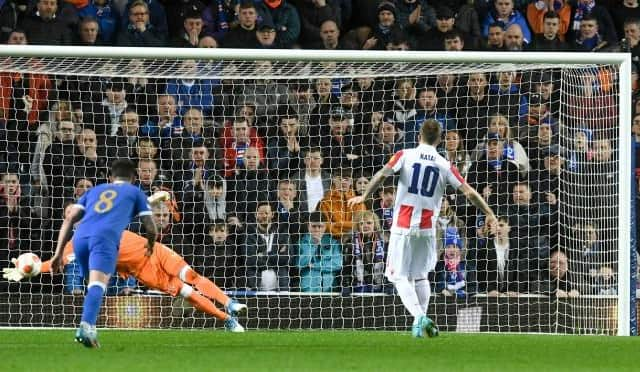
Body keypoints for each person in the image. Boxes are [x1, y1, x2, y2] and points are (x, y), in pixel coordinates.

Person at [347, 119, 497, 339]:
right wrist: (489, 213)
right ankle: (421, 327)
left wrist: (365, 195)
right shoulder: (445, 164)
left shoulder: (405, 154)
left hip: (403, 226)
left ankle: (419, 317)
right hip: (428, 229)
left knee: (398, 276)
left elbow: (381, 175)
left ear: (419, 136)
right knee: (420, 276)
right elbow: (469, 192)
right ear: (440, 140)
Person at [4, 230, 247, 331]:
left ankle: (228, 302)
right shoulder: (76, 245)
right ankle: (227, 320)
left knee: (190, 275)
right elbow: (53, 264)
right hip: (144, 272)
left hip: (155, 251)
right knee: (185, 292)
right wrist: (32, 270)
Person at [50, 159, 158, 348]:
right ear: (133, 178)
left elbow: (69, 219)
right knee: (98, 285)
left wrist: (58, 254)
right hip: (105, 239)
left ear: (111, 177)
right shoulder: (135, 192)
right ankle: (86, 327)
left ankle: (88, 322)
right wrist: (150, 244)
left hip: (80, 239)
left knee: (91, 283)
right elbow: (151, 227)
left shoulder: (93, 191)